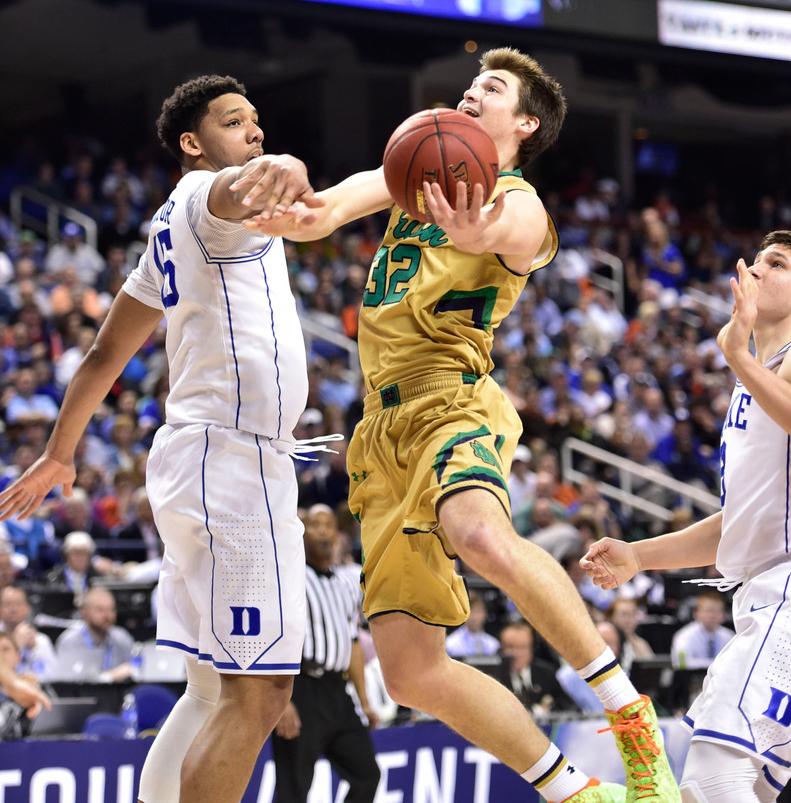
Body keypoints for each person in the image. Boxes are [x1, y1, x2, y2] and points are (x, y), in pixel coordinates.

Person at [243, 47, 680, 803]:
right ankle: (578, 791)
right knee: (410, 673)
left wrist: (468, 226)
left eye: (493, 87)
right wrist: (288, 209)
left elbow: (493, 234)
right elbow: (323, 214)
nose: (472, 92)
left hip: (452, 395)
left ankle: (627, 714)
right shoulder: (408, 169)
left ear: (525, 121)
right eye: (472, 83)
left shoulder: (521, 203)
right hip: (378, 433)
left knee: (479, 535)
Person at [0, 73, 319, 803]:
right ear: (192, 143)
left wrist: (59, 454)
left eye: (257, 123)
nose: (254, 132)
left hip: (207, 459)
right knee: (260, 695)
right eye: (236, 122)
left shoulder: (167, 233)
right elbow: (253, 182)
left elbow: (102, 358)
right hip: (229, 461)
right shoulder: (210, 196)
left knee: (213, 691)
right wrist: (286, 171)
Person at [581, 231, 791, 803]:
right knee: (740, 785)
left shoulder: (769, 364)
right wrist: (639, 556)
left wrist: (738, 352)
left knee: (711, 774)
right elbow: (738, 524)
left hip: (786, 597)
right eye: (758, 259)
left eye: (779, 264)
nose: (757, 269)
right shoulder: (756, 377)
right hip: (764, 593)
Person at [272, 504, 380, 803]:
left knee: (367, 775)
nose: (322, 530)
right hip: (301, 689)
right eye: (315, 524)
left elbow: (353, 644)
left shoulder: (346, 584)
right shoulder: (288, 578)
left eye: (329, 524)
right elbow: (273, 639)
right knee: (293, 790)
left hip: (338, 692)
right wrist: (282, 700)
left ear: (337, 533)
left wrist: (365, 701)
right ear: (302, 531)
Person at [53, 585, 134, 682]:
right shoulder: (70, 642)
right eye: (100, 609)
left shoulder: (122, 638)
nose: (107, 615)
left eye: (111, 609)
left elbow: (136, 670)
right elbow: (67, 681)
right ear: (83, 612)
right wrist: (109, 677)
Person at [499, 619, 573, 716]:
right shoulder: (495, 677)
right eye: (510, 647)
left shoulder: (547, 674)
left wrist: (548, 713)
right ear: (501, 649)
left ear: (531, 648)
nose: (516, 653)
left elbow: (569, 707)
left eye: (522, 647)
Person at [670, 591, 734, 672]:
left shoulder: (729, 637)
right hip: (692, 680)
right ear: (697, 613)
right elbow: (682, 663)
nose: (712, 616)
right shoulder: (684, 636)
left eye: (717, 611)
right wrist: (714, 665)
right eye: (708, 611)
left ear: (723, 615)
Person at [445, 589, 500, 657]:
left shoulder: (493, 645)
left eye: (478, 611)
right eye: (470, 613)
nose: (474, 617)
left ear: (485, 612)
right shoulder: (450, 645)